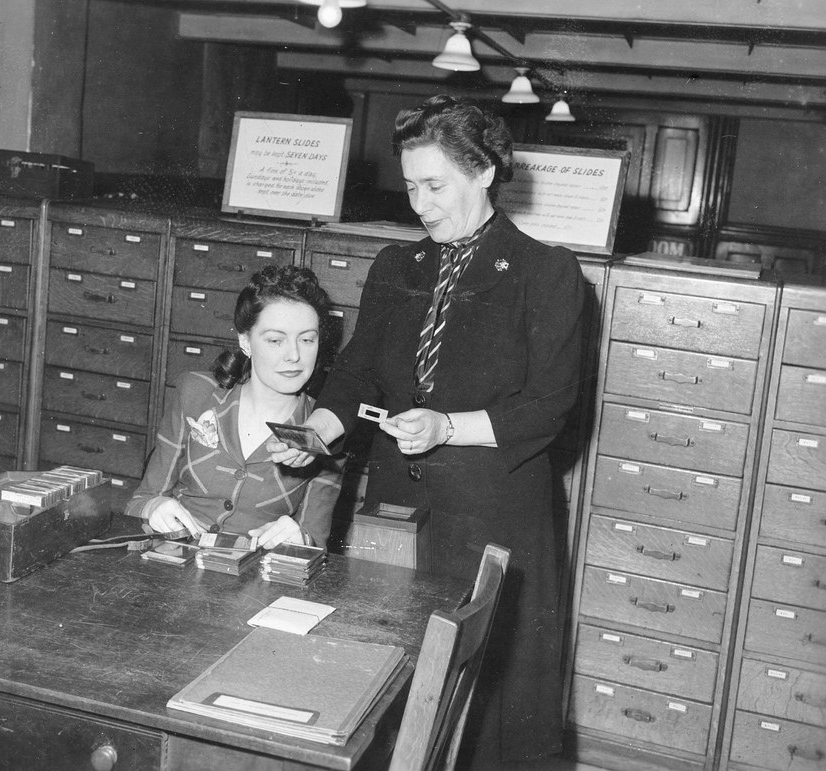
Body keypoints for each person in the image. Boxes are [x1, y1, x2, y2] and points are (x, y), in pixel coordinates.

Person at [272, 95, 586, 765]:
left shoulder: (545, 273)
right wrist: (319, 433)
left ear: (485, 173)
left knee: (484, 712)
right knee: (392, 688)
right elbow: (356, 372)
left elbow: (549, 405)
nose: (419, 201)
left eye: (435, 185)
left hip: (493, 518)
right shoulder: (397, 268)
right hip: (398, 513)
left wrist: (448, 425)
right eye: (411, 185)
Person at [124, 265, 341, 550]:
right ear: (245, 341)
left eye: (307, 339)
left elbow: (316, 544)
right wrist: (155, 507)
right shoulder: (196, 393)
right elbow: (139, 501)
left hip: (252, 579)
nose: (294, 356)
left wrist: (300, 538)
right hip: (173, 560)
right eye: (276, 340)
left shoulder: (328, 428)